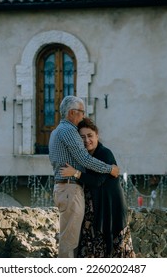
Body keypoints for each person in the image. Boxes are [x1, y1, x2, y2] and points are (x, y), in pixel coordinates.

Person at [48, 95, 120, 258]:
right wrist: (110, 169)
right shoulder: (68, 130)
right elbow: (84, 159)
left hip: (64, 188)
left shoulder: (56, 131)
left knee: (70, 239)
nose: (83, 116)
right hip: (70, 189)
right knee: (70, 242)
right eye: (81, 112)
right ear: (72, 113)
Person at [60, 117, 135, 258]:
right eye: (82, 137)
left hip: (110, 207)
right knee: (91, 246)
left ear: (97, 136)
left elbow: (98, 181)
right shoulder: (84, 156)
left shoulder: (104, 153)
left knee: (113, 250)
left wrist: (75, 173)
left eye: (90, 136)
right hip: (94, 207)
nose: (86, 140)